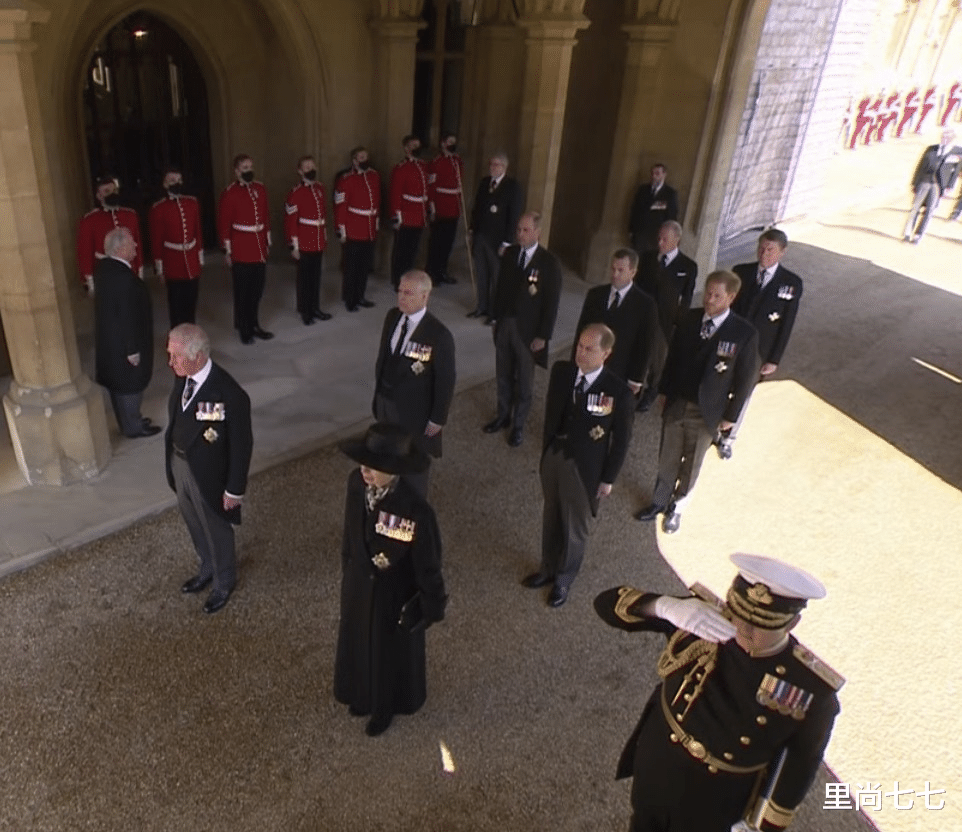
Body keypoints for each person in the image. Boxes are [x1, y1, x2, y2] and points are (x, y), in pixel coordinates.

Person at [594, 552, 843, 832]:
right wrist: (661, 606)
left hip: (716, 797)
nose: (744, 631)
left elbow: (800, 764)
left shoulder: (810, 690)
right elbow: (605, 604)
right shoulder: (701, 621)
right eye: (738, 617)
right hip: (659, 763)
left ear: (791, 624)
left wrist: (765, 826)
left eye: (760, 627)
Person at [334, 422, 448, 737]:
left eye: (376, 467)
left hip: (392, 595)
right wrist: (348, 571)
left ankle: (384, 709)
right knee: (357, 643)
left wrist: (432, 606)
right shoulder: (355, 485)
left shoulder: (415, 511)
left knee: (386, 655)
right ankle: (361, 695)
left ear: (396, 470)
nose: (365, 471)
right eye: (365, 463)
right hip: (359, 586)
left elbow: (428, 564)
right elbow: (349, 533)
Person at [635, 270, 759, 534]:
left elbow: (745, 380)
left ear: (731, 297)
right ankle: (659, 501)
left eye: (717, 295)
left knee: (692, 463)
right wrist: (664, 393)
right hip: (678, 401)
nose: (710, 300)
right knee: (667, 455)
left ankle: (677, 508)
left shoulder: (743, 333)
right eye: (708, 292)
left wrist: (730, 415)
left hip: (707, 411)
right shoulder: (689, 318)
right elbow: (673, 359)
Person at [524, 324, 634, 608]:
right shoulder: (562, 372)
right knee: (551, 516)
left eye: (589, 349)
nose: (580, 353)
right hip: (555, 455)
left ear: (606, 354)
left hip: (585, 467)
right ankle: (547, 567)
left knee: (575, 526)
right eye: (579, 346)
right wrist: (547, 450)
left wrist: (608, 478)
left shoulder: (617, 392)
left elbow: (621, 440)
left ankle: (564, 578)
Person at [165, 323, 253, 615]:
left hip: (210, 474)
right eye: (170, 355)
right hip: (181, 465)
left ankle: (224, 580)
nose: (170, 362)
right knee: (194, 522)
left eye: (176, 356)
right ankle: (207, 567)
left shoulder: (229, 393)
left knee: (216, 528)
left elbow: (242, 445)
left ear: (199, 355)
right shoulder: (183, 378)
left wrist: (234, 490)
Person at [483, 211, 562, 448]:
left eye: (525, 230)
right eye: (518, 229)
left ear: (537, 232)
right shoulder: (511, 254)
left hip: (528, 331)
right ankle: (503, 415)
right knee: (503, 374)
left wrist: (543, 336)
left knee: (525, 382)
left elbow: (551, 303)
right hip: (505, 323)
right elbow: (500, 288)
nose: (520, 234)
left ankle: (518, 426)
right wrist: (495, 319)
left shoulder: (549, 263)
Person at [373, 270, 456, 497]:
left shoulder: (438, 335)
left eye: (408, 293)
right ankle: (387, 495)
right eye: (399, 291)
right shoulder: (392, 317)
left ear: (424, 296)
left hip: (414, 413)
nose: (401, 297)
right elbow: (384, 357)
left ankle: (413, 505)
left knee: (413, 462)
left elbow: (445, 381)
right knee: (388, 452)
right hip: (386, 401)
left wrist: (438, 418)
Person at [724, 228, 803, 459]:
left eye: (770, 250)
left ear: (782, 252)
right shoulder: (741, 272)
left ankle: (729, 437)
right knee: (721, 382)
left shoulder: (791, 283)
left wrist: (774, 359)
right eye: (761, 248)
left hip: (759, 350)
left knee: (743, 392)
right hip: (733, 342)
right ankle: (716, 425)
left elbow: (786, 325)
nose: (764, 253)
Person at [94, 228, 159, 439]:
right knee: (130, 385)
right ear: (121, 248)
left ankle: (128, 422)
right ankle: (133, 426)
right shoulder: (124, 280)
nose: (136, 246)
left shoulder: (105, 268)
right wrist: (133, 350)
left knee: (118, 385)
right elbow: (127, 317)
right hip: (125, 345)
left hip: (111, 343)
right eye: (132, 243)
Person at [575, 248, 658, 397]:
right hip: (591, 367)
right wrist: (575, 363)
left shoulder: (645, 304)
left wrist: (636, 378)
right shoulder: (595, 295)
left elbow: (645, 344)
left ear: (632, 272)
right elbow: (581, 330)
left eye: (620, 270)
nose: (615, 274)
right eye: (613, 269)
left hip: (620, 371)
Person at [634, 220, 698, 412]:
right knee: (638, 352)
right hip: (643, 315)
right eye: (659, 238)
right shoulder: (647, 258)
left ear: (676, 240)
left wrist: (680, 322)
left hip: (665, 321)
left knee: (658, 358)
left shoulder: (687, 266)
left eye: (665, 239)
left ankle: (653, 389)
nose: (660, 242)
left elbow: (686, 298)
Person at [218, 154, 273, 345]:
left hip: (258, 245)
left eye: (250, 166)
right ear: (237, 171)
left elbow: (265, 216)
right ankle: (244, 327)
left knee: (257, 289)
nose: (248, 170)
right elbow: (224, 224)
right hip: (241, 246)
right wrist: (228, 250)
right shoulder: (230, 193)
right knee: (243, 292)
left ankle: (254, 323)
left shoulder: (260, 188)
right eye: (244, 167)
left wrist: (266, 241)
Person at [468, 153, 524, 322]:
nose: (493, 167)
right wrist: (472, 229)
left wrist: (507, 241)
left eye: (497, 165)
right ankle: (481, 307)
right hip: (481, 237)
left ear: (504, 168)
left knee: (497, 277)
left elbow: (514, 215)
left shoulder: (512, 186)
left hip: (498, 240)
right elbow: (477, 207)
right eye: (491, 164)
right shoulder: (485, 182)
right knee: (482, 274)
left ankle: (495, 312)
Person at [149, 168, 204, 328]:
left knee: (191, 305)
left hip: (191, 260)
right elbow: (156, 240)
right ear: (165, 184)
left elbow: (197, 232)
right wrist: (160, 269)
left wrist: (199, 258)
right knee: (176, 308)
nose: (177, 183)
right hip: (173, 263)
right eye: (172, 181)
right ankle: (177, 344)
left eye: (179, 180)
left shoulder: (192, 202)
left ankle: (192, 340)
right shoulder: (159, 208)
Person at [284, 155, 332, 325]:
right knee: (304, 278)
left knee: (316, 276)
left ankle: (315, 307)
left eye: (312, 166)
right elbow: (291, 221)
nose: (311, 170)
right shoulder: (296, 193)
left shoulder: (320, 188)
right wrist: (294, 245)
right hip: (304, 239)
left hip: (317, 237)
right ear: (300, 171)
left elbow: (322, 214)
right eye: (306, 168)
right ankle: (305, 310)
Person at [77, 175, 143, 294]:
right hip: (105, 274)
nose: (112, 194)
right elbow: (85, 252)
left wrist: (139, 271)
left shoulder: (130, 215)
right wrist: (89, 280)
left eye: (114, 191)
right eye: (107, 191)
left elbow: (137, 245)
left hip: (129, 270)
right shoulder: (90, 220)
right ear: (98, 196)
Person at [334, 146, 380, 312]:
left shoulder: (373, 176)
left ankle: (360, 296)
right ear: (354, 161)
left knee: (364, 266)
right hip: (353, 228)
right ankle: (350, 298)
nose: (364, 160)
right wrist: (342, 229)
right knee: (351, 267)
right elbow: (341, 206)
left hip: (368, 227)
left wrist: (375, 223)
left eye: (366, 157)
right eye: (361, 158)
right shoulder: (346, 179)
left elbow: (376, 201)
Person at [902, 128, 962, 242]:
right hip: (924, 181)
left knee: (930, 211)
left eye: (947, 137)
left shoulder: (957, 152)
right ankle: (907, 233)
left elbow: (955, 172)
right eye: (943, 137)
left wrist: (949, 186)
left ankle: (918, 235)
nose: (944, 139)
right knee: (915, 208)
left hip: (938, 186)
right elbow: (920, 165)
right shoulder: (931, 149)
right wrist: (915, 182)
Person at [389, 135, 429, 289]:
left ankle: (408, 279)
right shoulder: (401, 168)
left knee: (413, 250)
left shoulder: (423, 166)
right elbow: (395, 193)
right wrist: (396, 215)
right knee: (401, 251)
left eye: (418, 145)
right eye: (413, 145)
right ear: (406, 149)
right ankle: (398, 279)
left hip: (419, 213)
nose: (416, 148)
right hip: (406, 214)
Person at [425, 132, 463, 285]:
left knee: (448, 242)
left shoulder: (457, 161)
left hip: (453, 207)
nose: (452, 144)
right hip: (440, 206)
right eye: (450, 141)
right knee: (436, 243)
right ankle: (432, 272)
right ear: (443, 144)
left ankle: (442, 271)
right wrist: (432, 208)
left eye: (454, 141)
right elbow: (431, 187)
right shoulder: (436, 162)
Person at [628, 163, 679, 255]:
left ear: (664, 174)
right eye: (653, 173)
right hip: (640, 234)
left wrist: (667, 236)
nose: (654, 176)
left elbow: (671, 215)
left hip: (656, 237)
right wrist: (631, 230)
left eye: (657, 173)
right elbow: (634, 211)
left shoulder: (670, 193)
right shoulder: (643, 190)